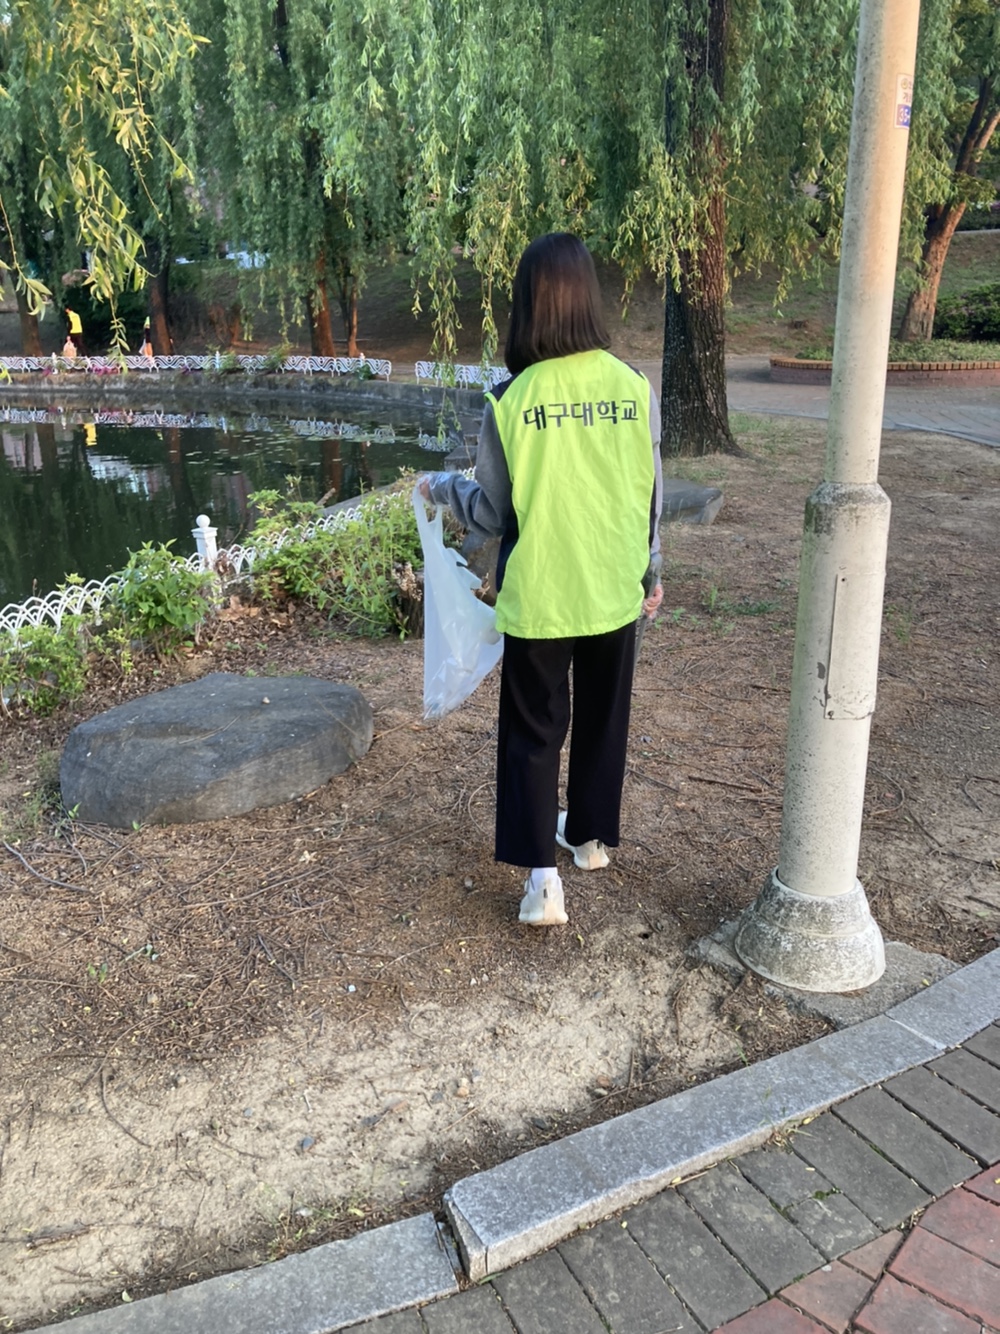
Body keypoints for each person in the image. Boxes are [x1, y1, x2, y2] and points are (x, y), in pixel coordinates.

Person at [419, 232, 663, 927]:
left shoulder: (510, 400)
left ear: (527, 305)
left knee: (534, 731)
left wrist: (441, 485)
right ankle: (588, 840)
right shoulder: (633, 387)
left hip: (543, 594)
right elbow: (649, 491)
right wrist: (652, 570)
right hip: (614, 586)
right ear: (589, 298)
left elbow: (492, 512)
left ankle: (542, 883)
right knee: (604, 718)